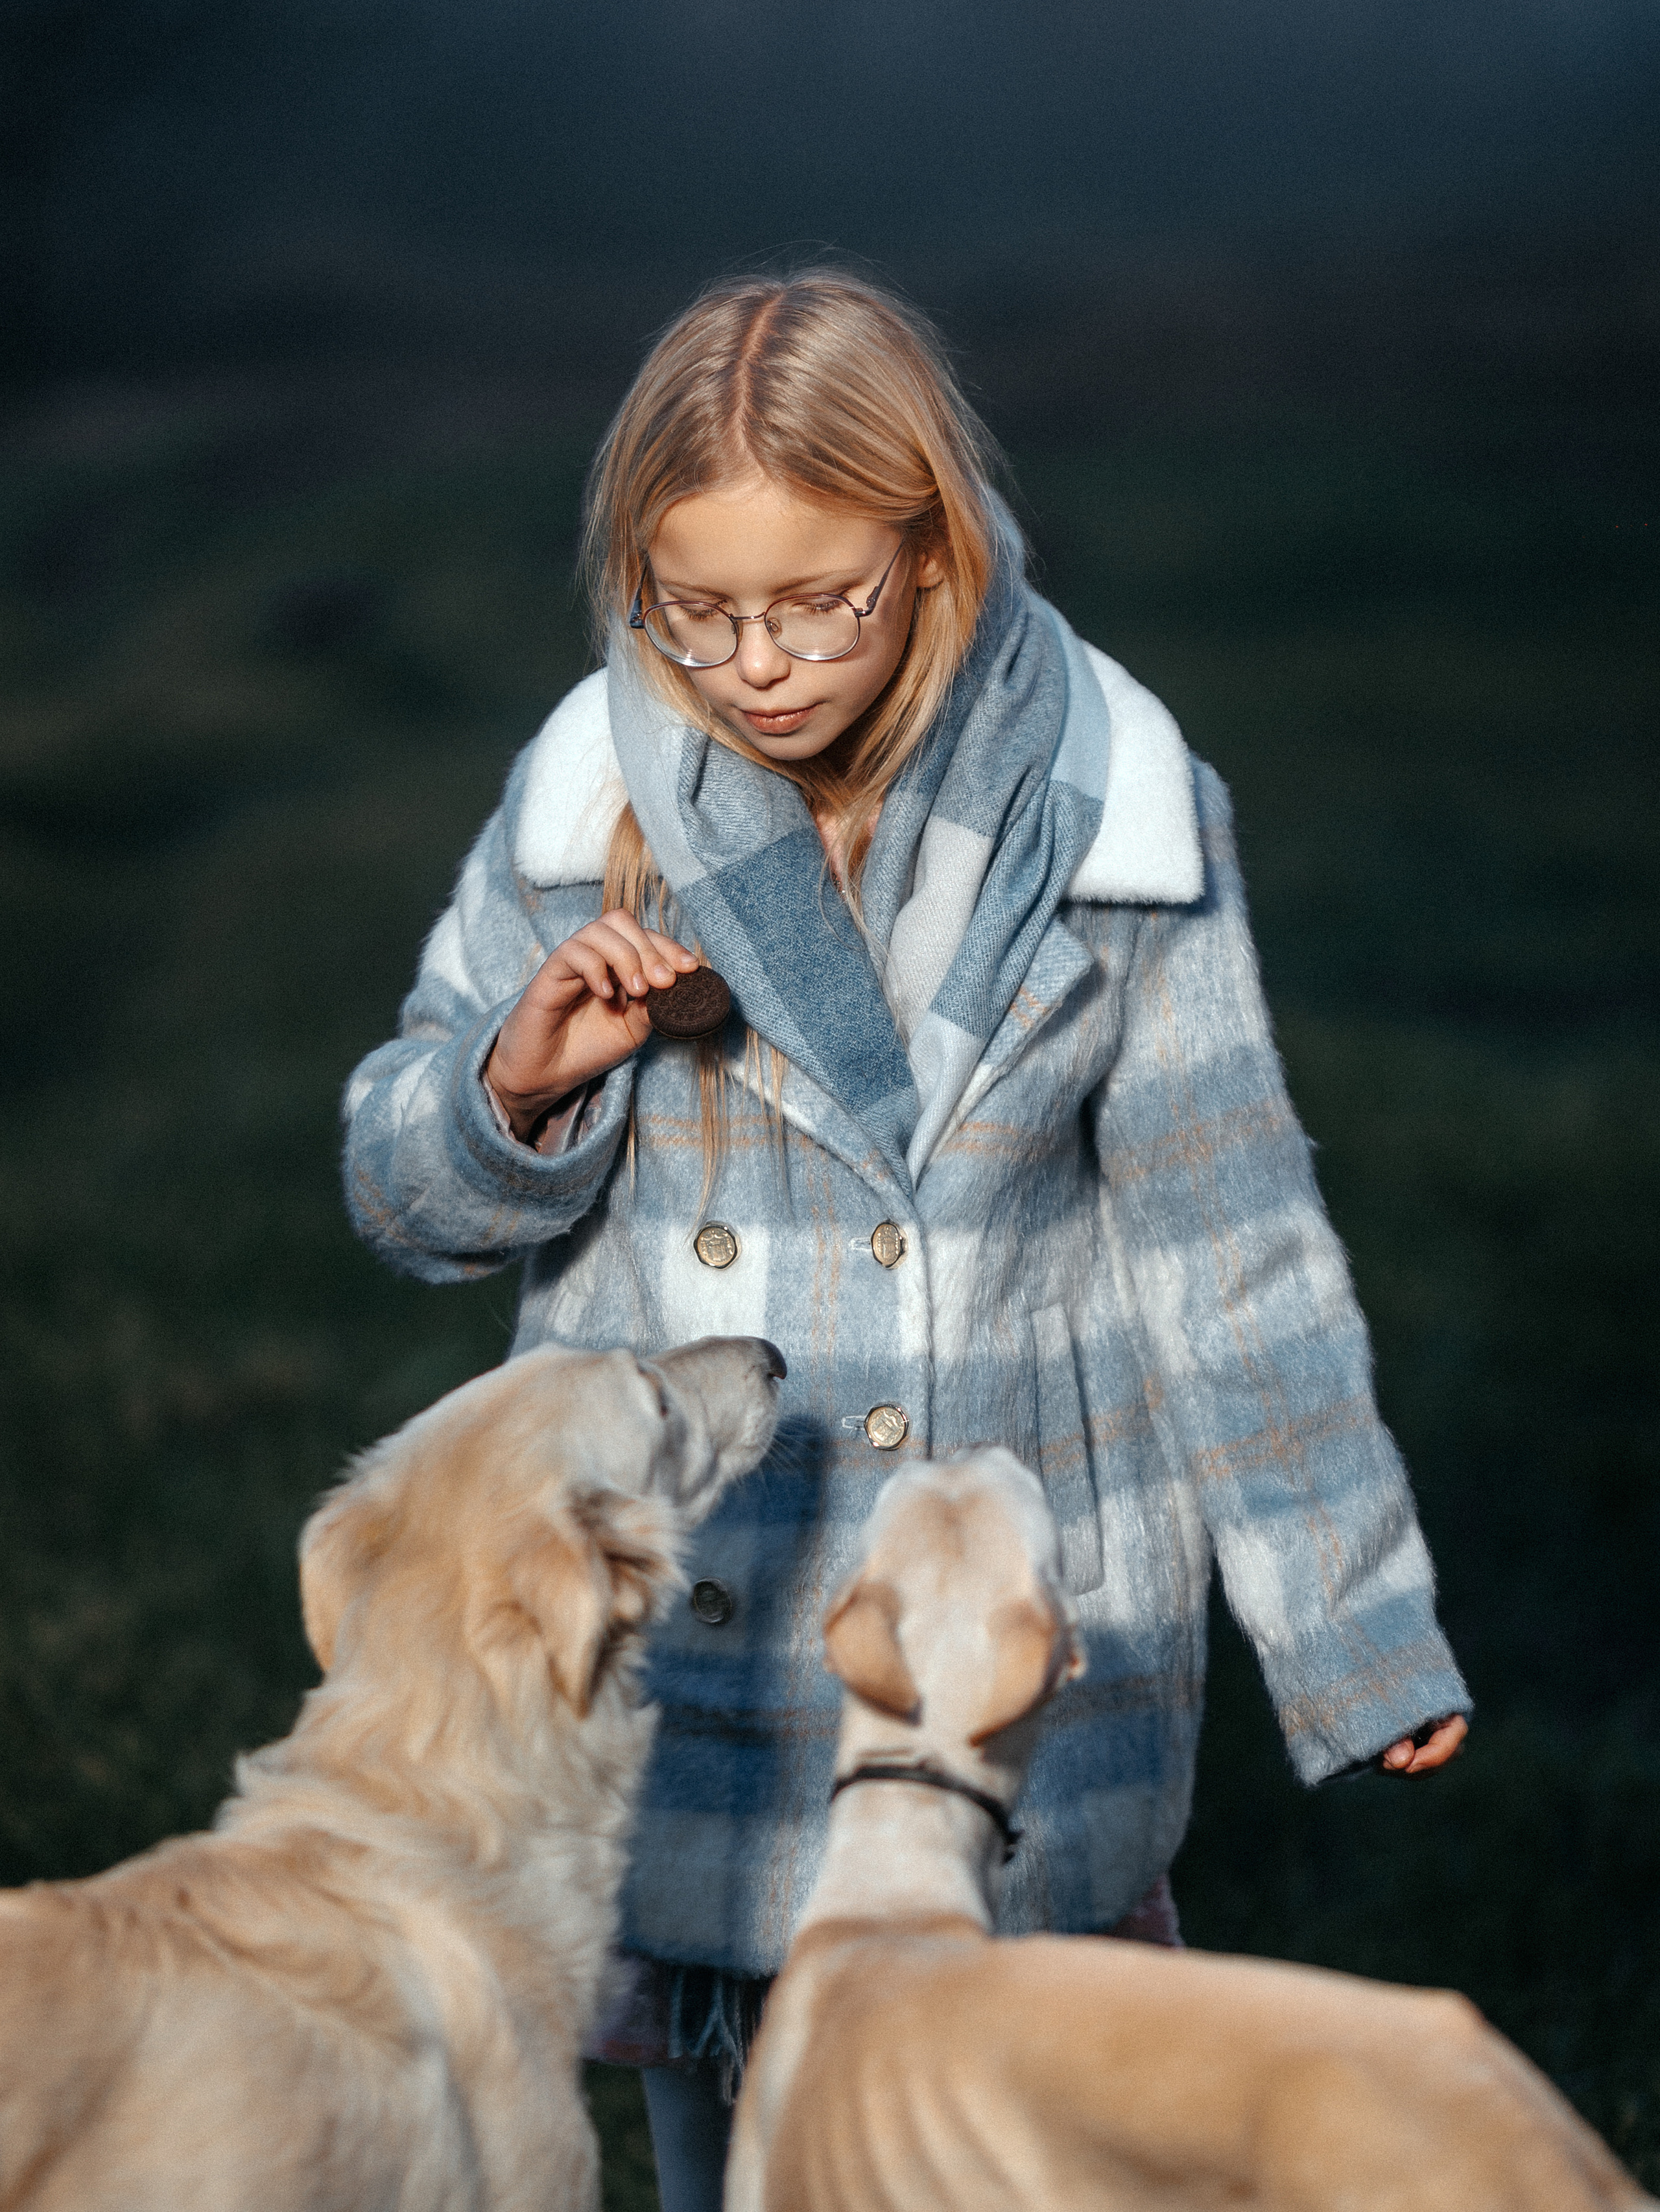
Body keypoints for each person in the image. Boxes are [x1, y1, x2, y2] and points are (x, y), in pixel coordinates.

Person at [342, 269, 1470, 2212]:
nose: (756, 660)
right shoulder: (585, 806)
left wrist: (1354, 1629)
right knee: (727, 2136)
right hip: (715, 1602)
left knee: (1002, 2142)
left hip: (994, 1608)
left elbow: (1233, 1243)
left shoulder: (1115, 811)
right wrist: (513, 1087)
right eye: (697, 610)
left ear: (927, 541)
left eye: (814, 602)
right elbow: (403, 1190)